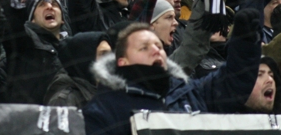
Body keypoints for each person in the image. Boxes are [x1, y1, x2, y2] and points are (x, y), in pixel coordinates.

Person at [84, 9, 261, 135]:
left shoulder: (189, 92)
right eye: (144, 48)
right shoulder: (103, 109)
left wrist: (245, 44)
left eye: (159, 46)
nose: (156, 50)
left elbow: (233, 83)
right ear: (123, 62)